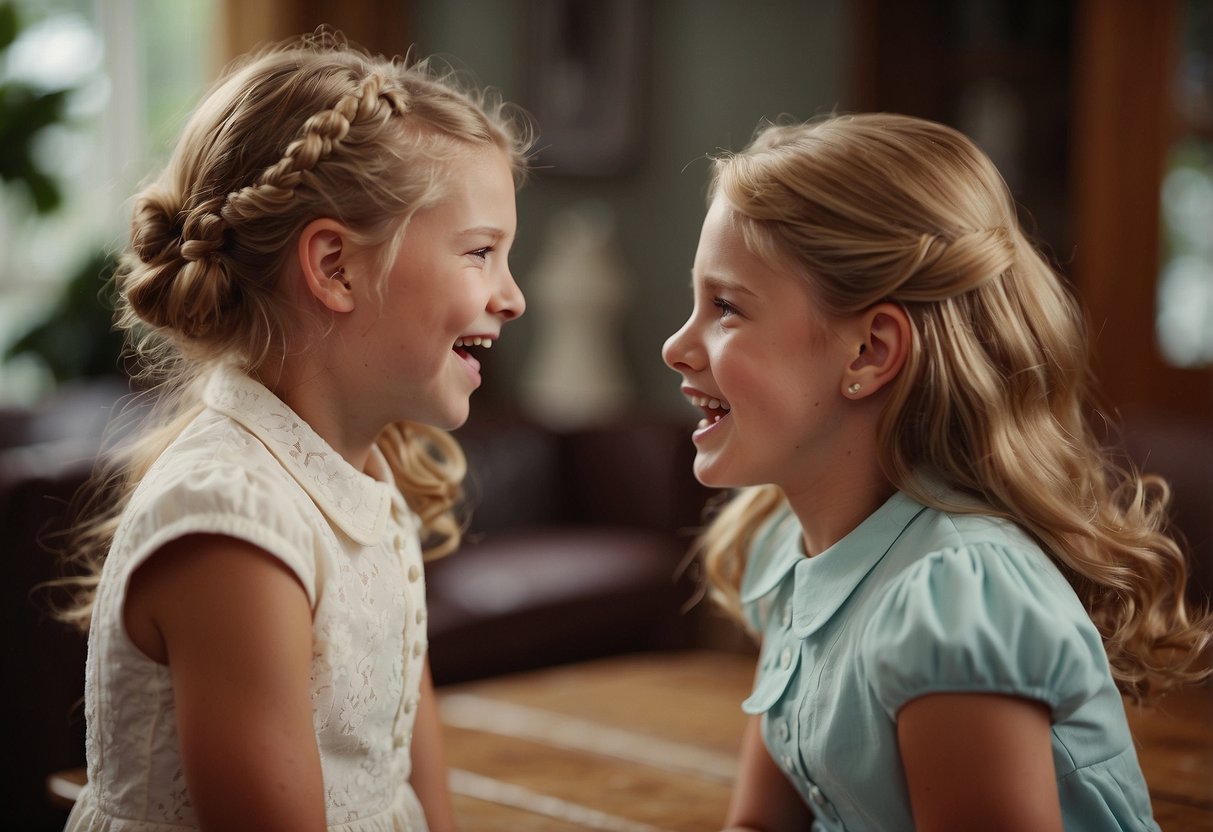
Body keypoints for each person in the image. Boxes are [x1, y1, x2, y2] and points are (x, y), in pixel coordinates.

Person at [662, 113, 1212, 832]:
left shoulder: (953, 597)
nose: (676, 345)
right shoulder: (783, 545)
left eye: (725, 307)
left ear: (868, 352)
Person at [58, 29, 529, 832]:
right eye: (480, 253)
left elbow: (398, 736)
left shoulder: (365, 469)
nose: (511, 296)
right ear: (335, 267)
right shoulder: (232, 523)